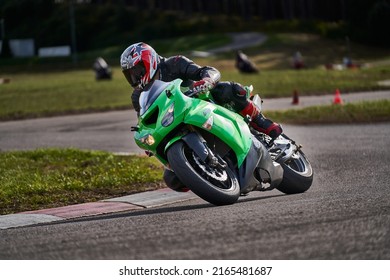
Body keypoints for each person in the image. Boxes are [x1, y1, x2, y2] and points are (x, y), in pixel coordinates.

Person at [120, 42, 282, 191]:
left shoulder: (174, 63)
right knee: (171, 178)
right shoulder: (139, 96)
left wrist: (206, 80)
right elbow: (144, 120)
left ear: (149, 61)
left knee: (228, 89)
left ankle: (261, 122)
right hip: (174, 122)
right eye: (130, 75)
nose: (135, 78)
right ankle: (209, 176)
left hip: (202, 103)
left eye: (137, 70)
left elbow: (208, 71)